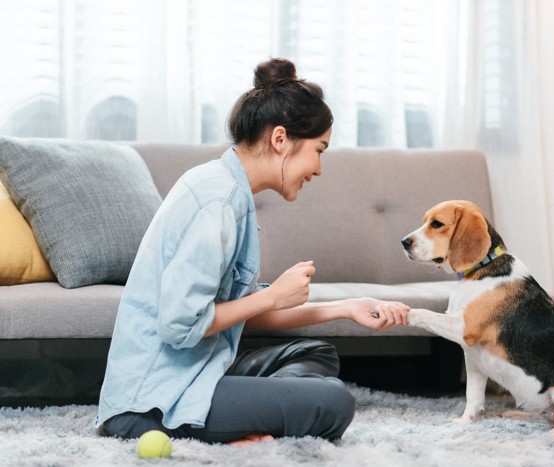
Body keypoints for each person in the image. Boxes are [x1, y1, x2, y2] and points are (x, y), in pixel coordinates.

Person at [95, 58, 410, 445]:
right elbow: (178, 326)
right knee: (332, 403)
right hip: (154, 402)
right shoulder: (218, 203)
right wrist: (275, 294)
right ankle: (228, 424)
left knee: (317, 352)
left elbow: (244, 314)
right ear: (281, 139)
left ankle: (246, 416)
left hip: (200, 368)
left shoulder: (227, 189)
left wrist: (348, 307)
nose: (319, 168)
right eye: (320, 150)